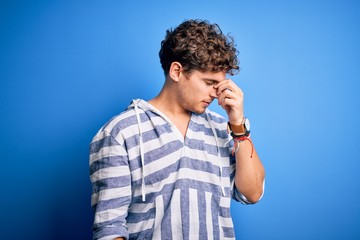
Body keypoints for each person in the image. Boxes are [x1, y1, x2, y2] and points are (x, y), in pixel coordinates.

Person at [89, 19, 265, 240]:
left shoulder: (223, 128)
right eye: (209, 82)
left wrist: (238, 124)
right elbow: (109, 228)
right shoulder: (120, 133)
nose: (216, 93)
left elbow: (252, 193)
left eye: (220, 84)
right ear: (176, 71)